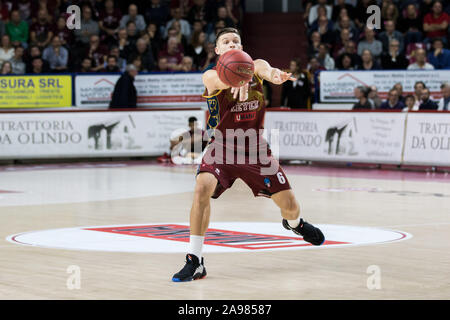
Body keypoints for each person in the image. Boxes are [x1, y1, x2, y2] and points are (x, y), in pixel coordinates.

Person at [172, 27, 325, 282]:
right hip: (221, 146)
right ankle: (195, 260)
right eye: (226, 41)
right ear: (218, 50)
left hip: (255, 149)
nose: (232, 44)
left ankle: (295, 224)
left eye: (236, 41)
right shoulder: (210, 76)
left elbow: (269, 71)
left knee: (290, 206)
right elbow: (221, 81)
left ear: (242, 47)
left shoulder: (256, 66)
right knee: (201, 188)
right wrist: (237, 80)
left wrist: (276, 75)